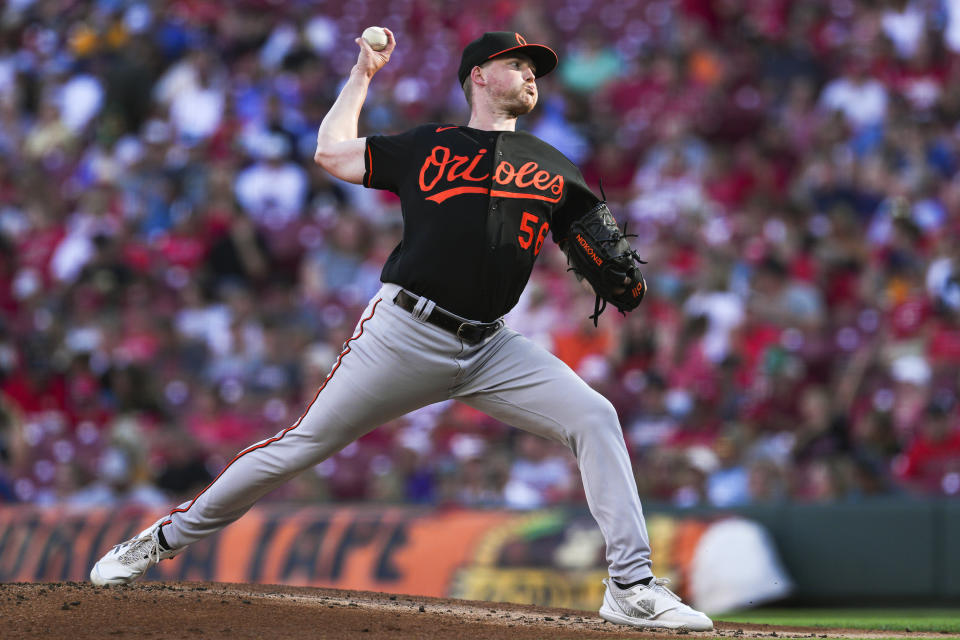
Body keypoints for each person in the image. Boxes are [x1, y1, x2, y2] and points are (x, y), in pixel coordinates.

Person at [90, 30, 712, 632]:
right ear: (478, 75)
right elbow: (331, 152)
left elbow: (607, 256)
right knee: (300, 446)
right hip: (405, 333)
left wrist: (621, 275)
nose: (530, 74)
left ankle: (631, 588)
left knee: (595, 416)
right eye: (517, 63)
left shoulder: (555, 168)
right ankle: (163, 538)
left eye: (535, 68)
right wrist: (362, 75)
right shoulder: (427, 145)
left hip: (492, 346)